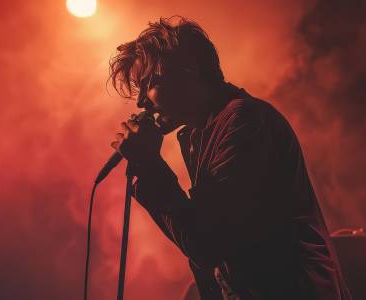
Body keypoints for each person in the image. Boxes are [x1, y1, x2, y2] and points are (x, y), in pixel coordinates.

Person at [108, 16, 351, 300]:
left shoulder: (243, 122)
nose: (140, 103)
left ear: (189, 70)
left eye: (149, 83)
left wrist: (150, 166)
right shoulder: (205, 134)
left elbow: (207, 243)